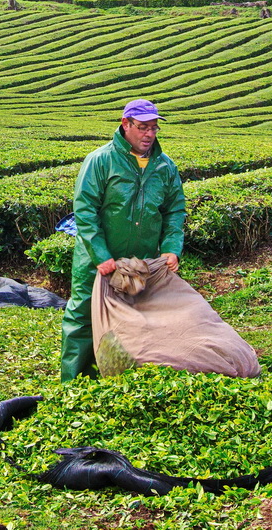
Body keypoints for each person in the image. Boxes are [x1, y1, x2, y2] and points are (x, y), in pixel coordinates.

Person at [60, 99, 186, 381]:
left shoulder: (165, 167)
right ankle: (73, 385)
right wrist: (101, 255)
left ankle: (121, 381)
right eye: (142, 128)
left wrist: (170, 249)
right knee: (83, 318)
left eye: (154, 128)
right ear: (125, 124)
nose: (149, 134)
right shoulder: (101, 160)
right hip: (97, 261)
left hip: (140, 262)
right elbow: (86, 210)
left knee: (135, 320)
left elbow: (175, 211)